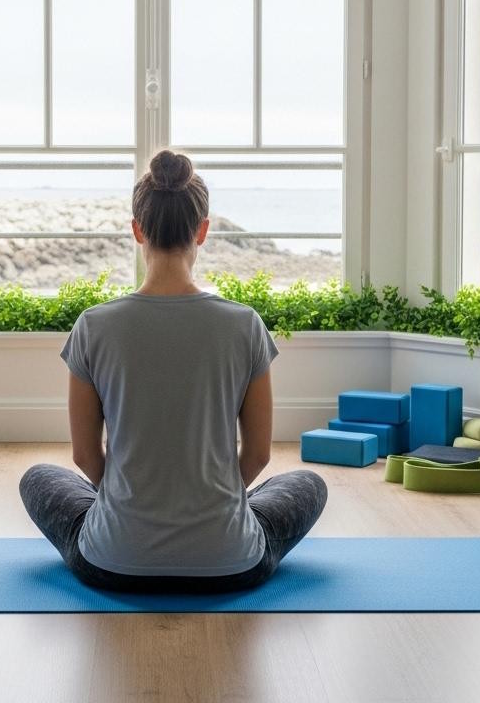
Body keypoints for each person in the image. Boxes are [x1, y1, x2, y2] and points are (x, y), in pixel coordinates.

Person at [19, 149, 328, 594]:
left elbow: (85, 457)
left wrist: (132, 500)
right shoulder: (245, 324)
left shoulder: (94, 325)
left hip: (113, 560)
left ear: (136, 230)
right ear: (202, 231)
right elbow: (258, 455)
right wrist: (209, 500)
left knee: (38, 479)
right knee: (307, 483)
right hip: (230, 562)